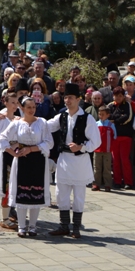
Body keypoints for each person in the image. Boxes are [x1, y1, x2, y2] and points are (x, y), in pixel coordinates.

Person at [46, 83, 101, 238]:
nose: (67, 100)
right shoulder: (62, 115)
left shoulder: (87, 118)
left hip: (79, 161)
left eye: (70, 98)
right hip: (63, 160)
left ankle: (76, 227)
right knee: (60, 194)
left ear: (78, 99)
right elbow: (47, 126)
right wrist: (27, 118)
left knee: (78, 195)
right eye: (65, 97)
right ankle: (64, 225)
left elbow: (96, 142)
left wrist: (81, 147)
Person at [0, 96, 53, 237]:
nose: (31, 110)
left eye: (34, 107)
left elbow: (49, 142)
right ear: (22, 108)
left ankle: (33, 226)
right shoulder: (17, 124)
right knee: (21, 195)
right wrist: (13, 153)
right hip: (22, 161)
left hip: (38, 160)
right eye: (28, 107)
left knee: (36, 195)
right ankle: (22, 227)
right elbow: (2, 138)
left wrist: (32, 149)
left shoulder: (42, 122)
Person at [0, 93, 21, 228]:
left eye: (16, 102)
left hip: (16, 155)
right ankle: (5, 218)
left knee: (14, 186)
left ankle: (10, 213)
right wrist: (7, 146)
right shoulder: (1, 119)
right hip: (5, 155)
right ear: (6, 103)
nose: (15, 105)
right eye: (12, 102)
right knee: (6, 186)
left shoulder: (18, 119)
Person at [107, 87, 134, 189]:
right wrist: (118, 119)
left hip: (125, 136)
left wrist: (115, 120)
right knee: (115, 160)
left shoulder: (127, 105)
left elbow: (127, 118)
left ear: (123, 96)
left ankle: (128, 182)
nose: (118, 98)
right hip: (114, 137)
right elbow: (108, 117)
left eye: (120, 96)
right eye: (116, 95)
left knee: (125, 160)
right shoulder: (110, 105)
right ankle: (117, 181)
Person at [93, 106, 116, 191]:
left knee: (107, 168)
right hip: (97, 149)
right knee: (97, 168)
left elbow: (115, 136)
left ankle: (107, 185)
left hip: (107, 150)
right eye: (99, 114)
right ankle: (96, 184)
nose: (101, 116)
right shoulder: (96, 124)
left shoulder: (111, 125)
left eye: (103, 114)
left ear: (108, 115)